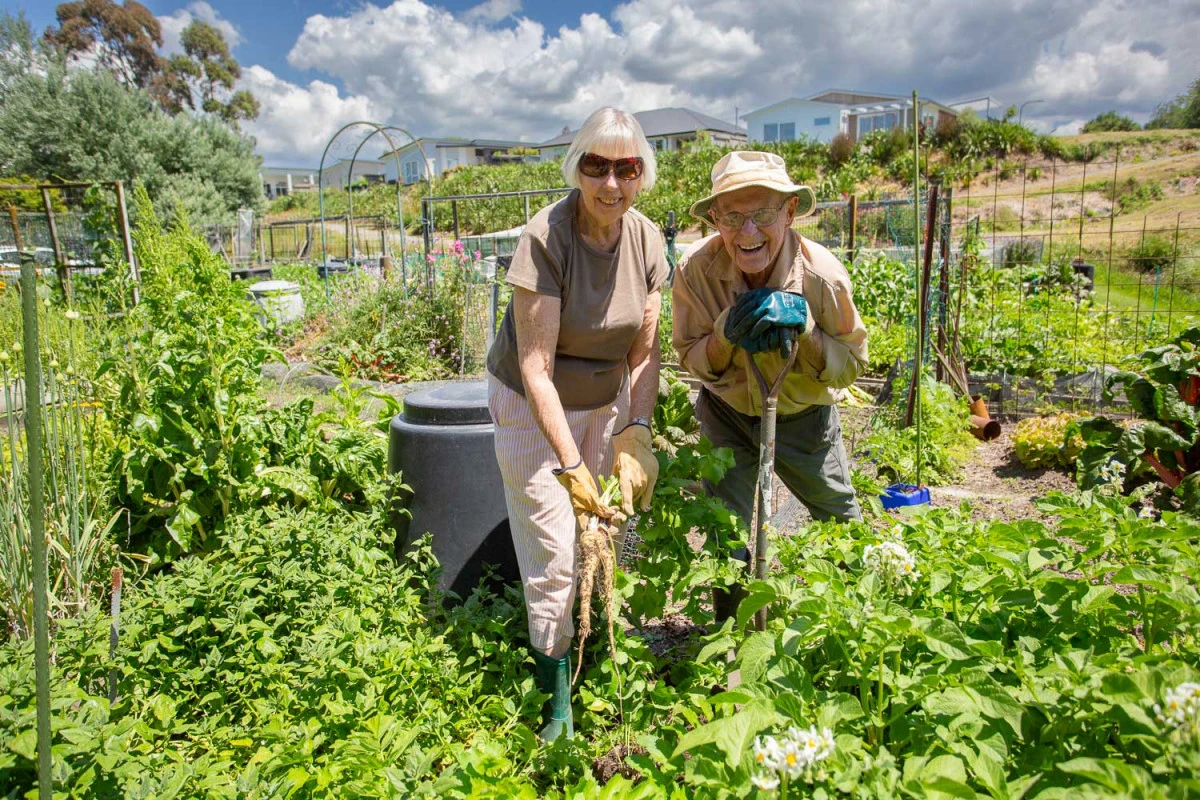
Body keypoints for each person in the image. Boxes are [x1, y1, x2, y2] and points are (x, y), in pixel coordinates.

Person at [485, 107, 668, 741]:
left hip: (605, 402)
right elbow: (535, 368)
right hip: (534, 409)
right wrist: (568, 467)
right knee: (556, 550)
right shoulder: (547, 237)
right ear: (577, 168)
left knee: (600, 538)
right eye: (597, 166)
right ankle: (555, 701)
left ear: (641, 174)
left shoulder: (646, 239)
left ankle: (580, 651)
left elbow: (645, 352)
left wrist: (637, 429)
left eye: (627, 168)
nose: (611, 183)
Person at [671, 151, 868, 620]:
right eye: (733, 217)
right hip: (727, 416)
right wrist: (724, 333)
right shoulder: (695, 272)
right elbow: (691, 356)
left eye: (762, 215)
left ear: (790, 212)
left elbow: (850, 367)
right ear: (714, 219)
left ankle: (856, 624)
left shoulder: (823, 276)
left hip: (804, 417)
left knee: (840, 521)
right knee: (726, 536)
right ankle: (733, 641)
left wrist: (807, 332)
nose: (748, 232)